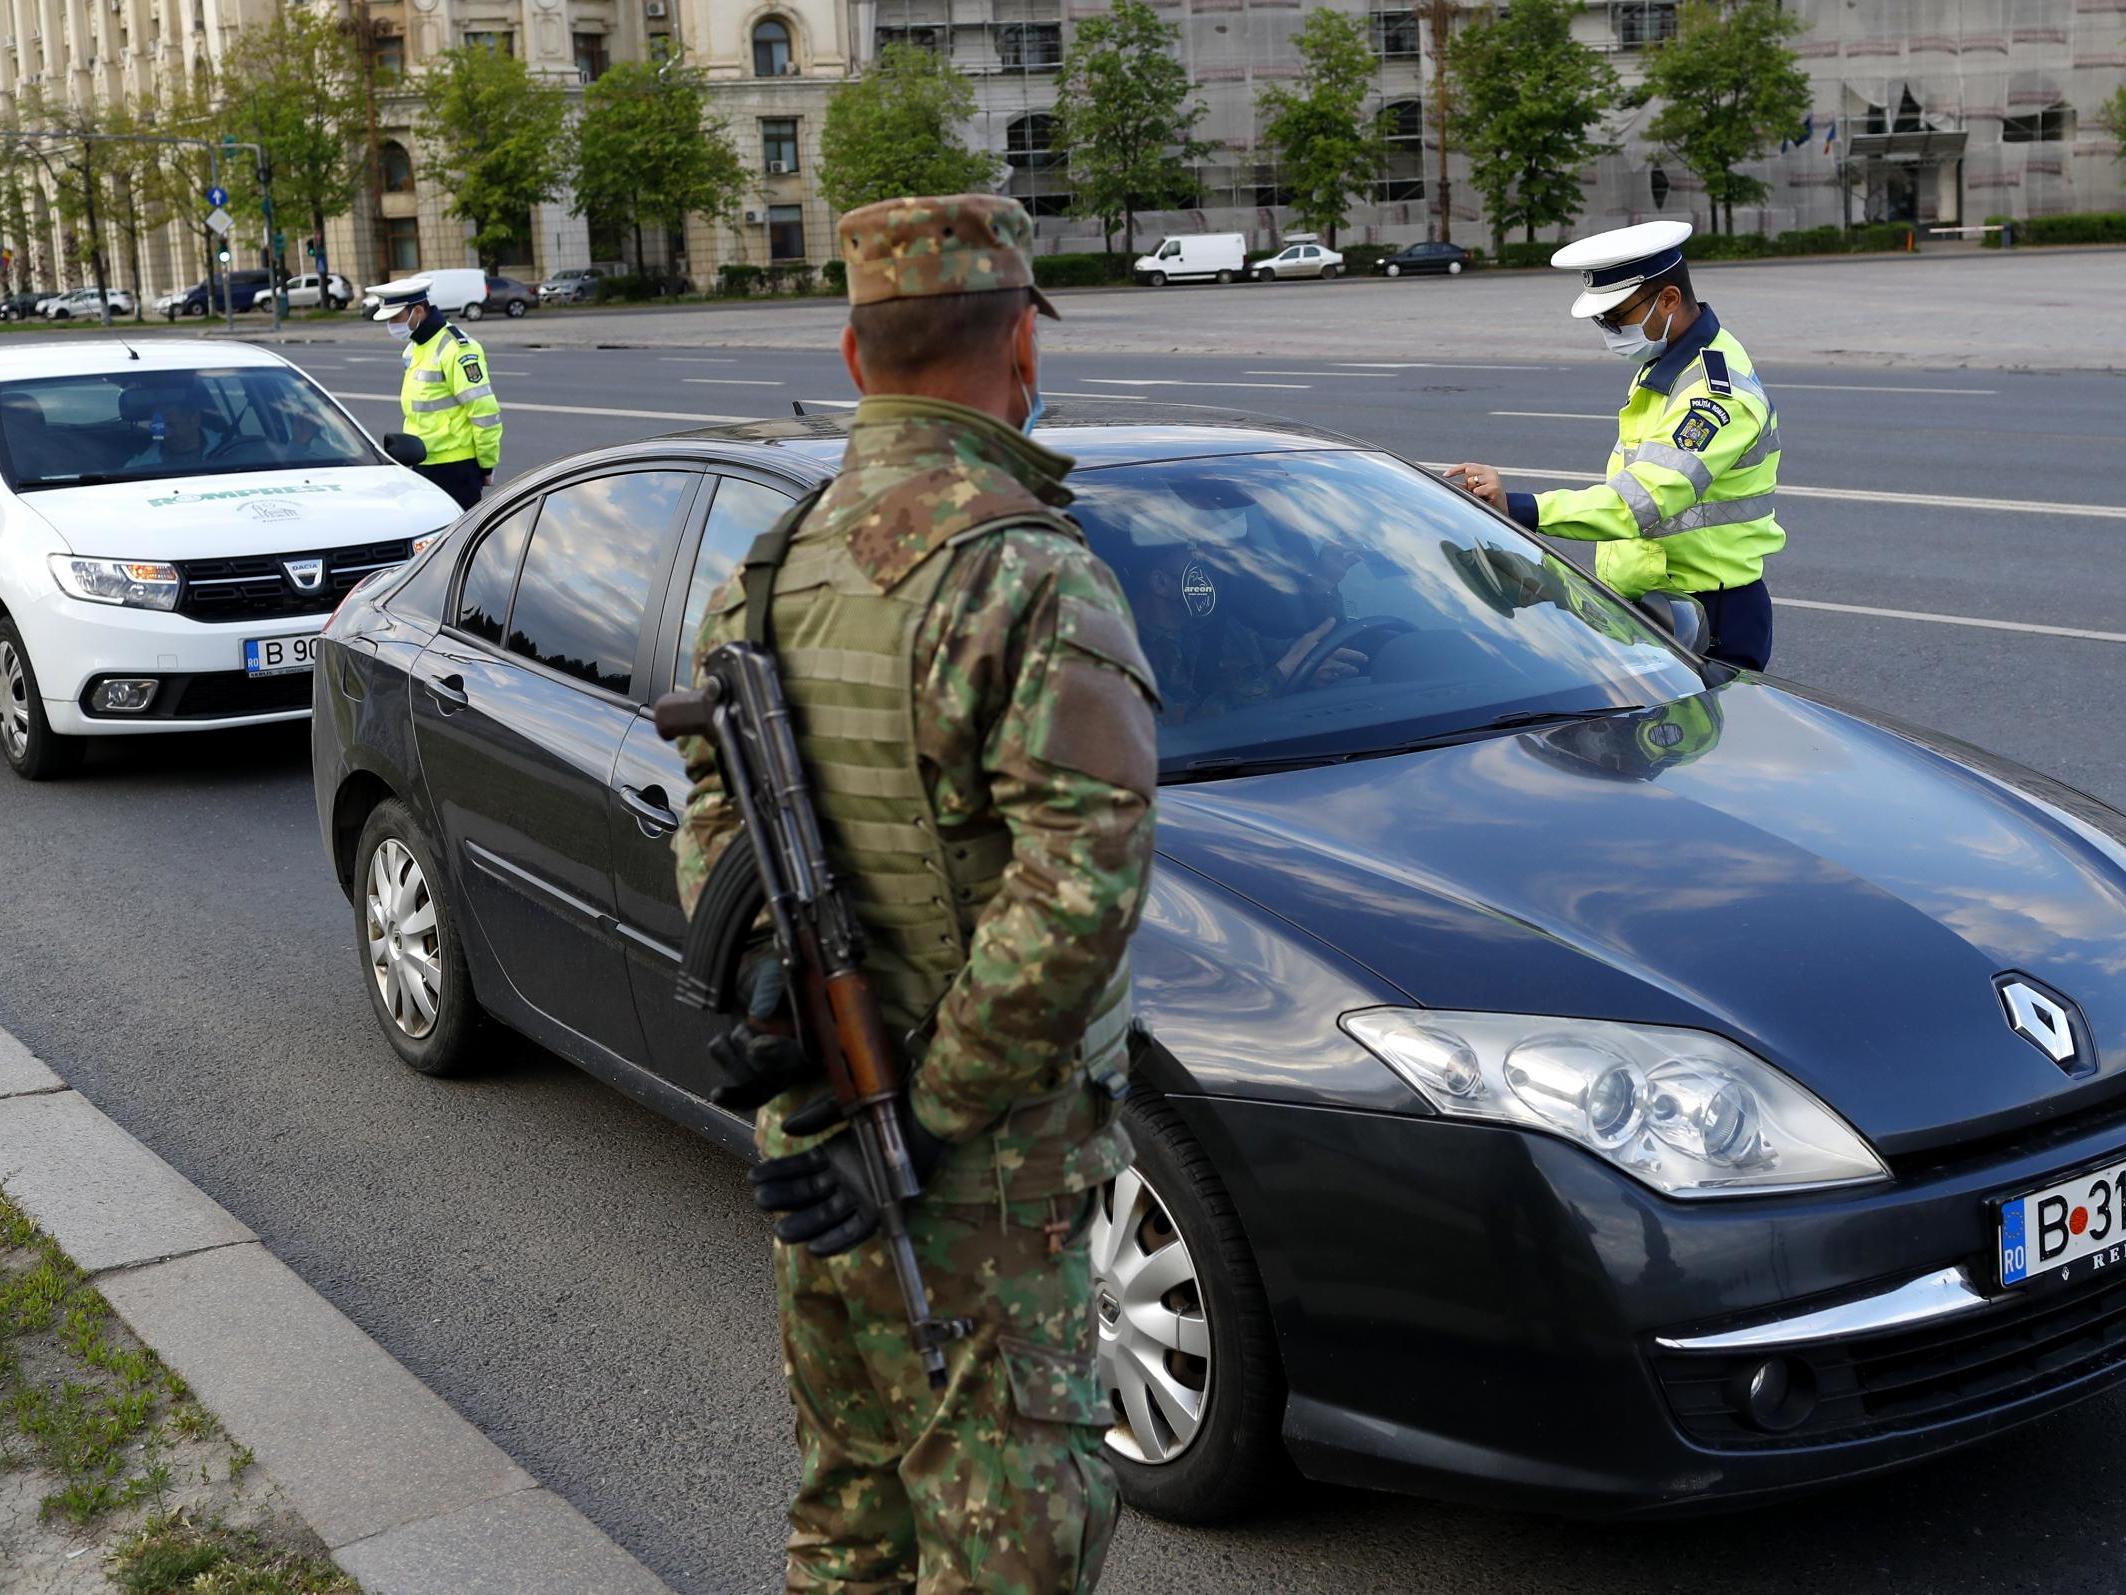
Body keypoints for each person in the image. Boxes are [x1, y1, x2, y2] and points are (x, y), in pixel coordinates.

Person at [670, 193, 1159, 1592]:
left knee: (850, 1515)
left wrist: (769, 992)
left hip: (823, 1126)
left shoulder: (775, 564)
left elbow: (711, 811)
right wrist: (933, 1116)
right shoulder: (1026, 571)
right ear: (1018, 351)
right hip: (972, 1167)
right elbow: (1078, 892)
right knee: (1010, 1535)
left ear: (849, 353)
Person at [1445, 220, 1784, 671]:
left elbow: (1638, 501)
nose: (1608, 328)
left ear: (1668, 300)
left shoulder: (1714, 395)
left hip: (1707, 617)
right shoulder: (1667, 363)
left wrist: (1520, 507)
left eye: (1617, 315)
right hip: (1654, 606)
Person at [368, 276, 502, 509]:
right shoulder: (414, 347)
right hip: (423, 464)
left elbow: (484, 412)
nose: (391, 326)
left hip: (456, 468)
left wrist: (486, 465)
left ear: (418, 311)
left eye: (396, 318)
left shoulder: (457, 348)